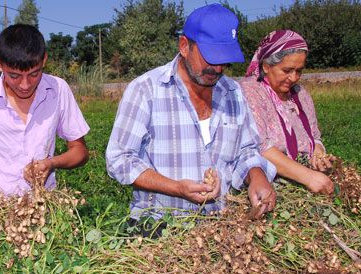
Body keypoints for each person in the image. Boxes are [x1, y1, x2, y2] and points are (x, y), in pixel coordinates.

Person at [106, 4, 277, 229]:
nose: (217, 69)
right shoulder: (146, 90)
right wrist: (176, 188)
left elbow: (246, 150)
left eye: (224, 61)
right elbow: (119, 159)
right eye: (210, 58)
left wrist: (257, 176)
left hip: (220, 226)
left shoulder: (233, 93)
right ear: (185, 46)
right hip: (158, 225)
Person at [0, 24, 90, 202]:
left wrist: (51, 163)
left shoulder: (58, 89)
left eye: (34, 74)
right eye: (14, 76)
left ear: (44, 60)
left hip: (43, 208)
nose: (25, 85)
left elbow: (80, 151)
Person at [241, 30, 334, 194]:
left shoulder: (300, 94)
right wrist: (309, 177)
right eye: (287, 70)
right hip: (271, 183)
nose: (294, 78)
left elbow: (314, 136)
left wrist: (318, 154)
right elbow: (261, 147)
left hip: (307, 177)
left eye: (299, 71)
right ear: (266, 67)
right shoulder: (251, 92)